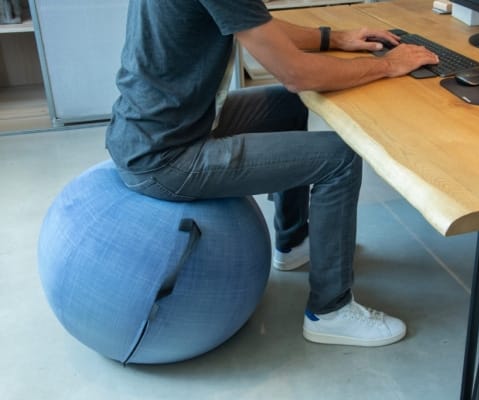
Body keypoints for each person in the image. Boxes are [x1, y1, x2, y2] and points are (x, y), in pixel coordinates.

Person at [105, 0, 439, 348]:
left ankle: (292, 242)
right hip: (166, 157)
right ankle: (330, 312)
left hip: (158, 130)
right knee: (339, 158)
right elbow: (297, 74)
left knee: (292, 106)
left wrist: (335, 38)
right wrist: (387, 66)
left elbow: (254, 24)